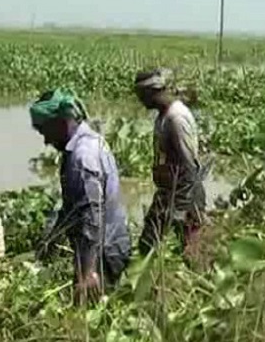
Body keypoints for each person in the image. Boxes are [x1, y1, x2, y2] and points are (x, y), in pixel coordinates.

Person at [30, 89, 131, 304]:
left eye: (45, 131)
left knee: (92, 316)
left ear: (60, 123)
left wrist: (88, 272)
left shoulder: (82, 156)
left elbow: (91, 215)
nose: (46, 141)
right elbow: (72, 207)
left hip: (102, 253)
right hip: (104, 247)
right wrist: (51, 239)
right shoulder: (90, 141)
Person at [133, 69, 207, 264]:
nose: (140, 101)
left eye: (141, 96)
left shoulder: (176, 118)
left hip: (185, 194)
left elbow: (190, 166)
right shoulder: (163, 115)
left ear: (152, 92)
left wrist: (180, 208)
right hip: (167, 193)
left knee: (191, 252)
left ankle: (197, 289)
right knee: (147, 245)